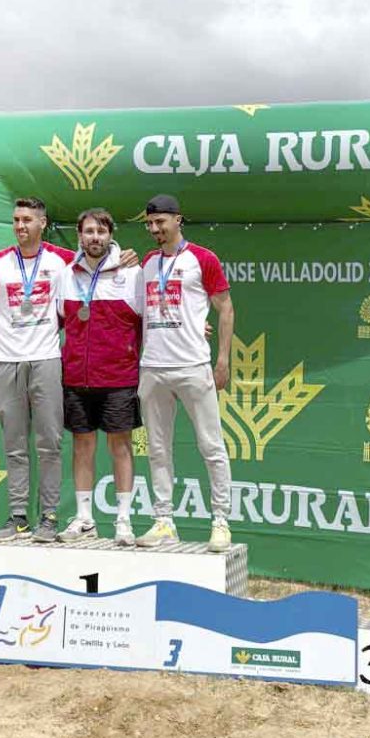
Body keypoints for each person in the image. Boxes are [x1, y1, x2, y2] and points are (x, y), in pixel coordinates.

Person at [0, 198, 73, 542]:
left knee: (49, 442)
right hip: (6, 360)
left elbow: (100, 267)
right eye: (15, 220)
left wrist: (119, 255)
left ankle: (49, 517)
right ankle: (18, 517)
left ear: (42, 223)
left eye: (27, 219)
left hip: (45, 358)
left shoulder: (62, 260)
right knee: (14, 444)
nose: (20, 226)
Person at [135, 194, 235, 552]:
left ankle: (221, 521)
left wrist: (222, 360)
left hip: (193, 364)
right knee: (158, 448)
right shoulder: (146, 263)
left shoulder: (202, 258)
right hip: (153, 367)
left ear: (178, 220)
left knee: (211, 444)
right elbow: (141, 310)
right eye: (149, 224)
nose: (154, 230)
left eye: (160, 222)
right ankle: (164, 520)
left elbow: (224, 308)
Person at [57, 208, 142, 548]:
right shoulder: (67, 274)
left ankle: (123, 520)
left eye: (101, 232)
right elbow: (63, 319)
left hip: (119, 375)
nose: (95, 237)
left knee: (120, 447)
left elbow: (152, 318)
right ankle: (84, 518)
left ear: (111, 235)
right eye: (89, 231)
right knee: (82, 446)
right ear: (80, 236)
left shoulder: (132, 273)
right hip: (78, 376)